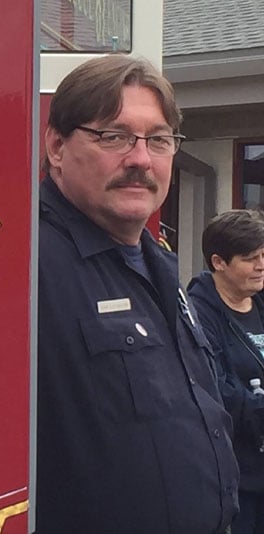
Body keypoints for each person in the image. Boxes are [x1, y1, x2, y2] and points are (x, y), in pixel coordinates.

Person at [36, 54, 239, 534]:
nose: (141, 159)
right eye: (114, 135)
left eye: (159, 140)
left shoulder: (158, 263)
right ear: (57, 146)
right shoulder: (24, 264)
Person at [188, 209, 264, 534]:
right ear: (219, 262)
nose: (261, 265)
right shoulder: (196, 315)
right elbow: (215, 390)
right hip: (238, 481)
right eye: (250, 258)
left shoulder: (259, 301)